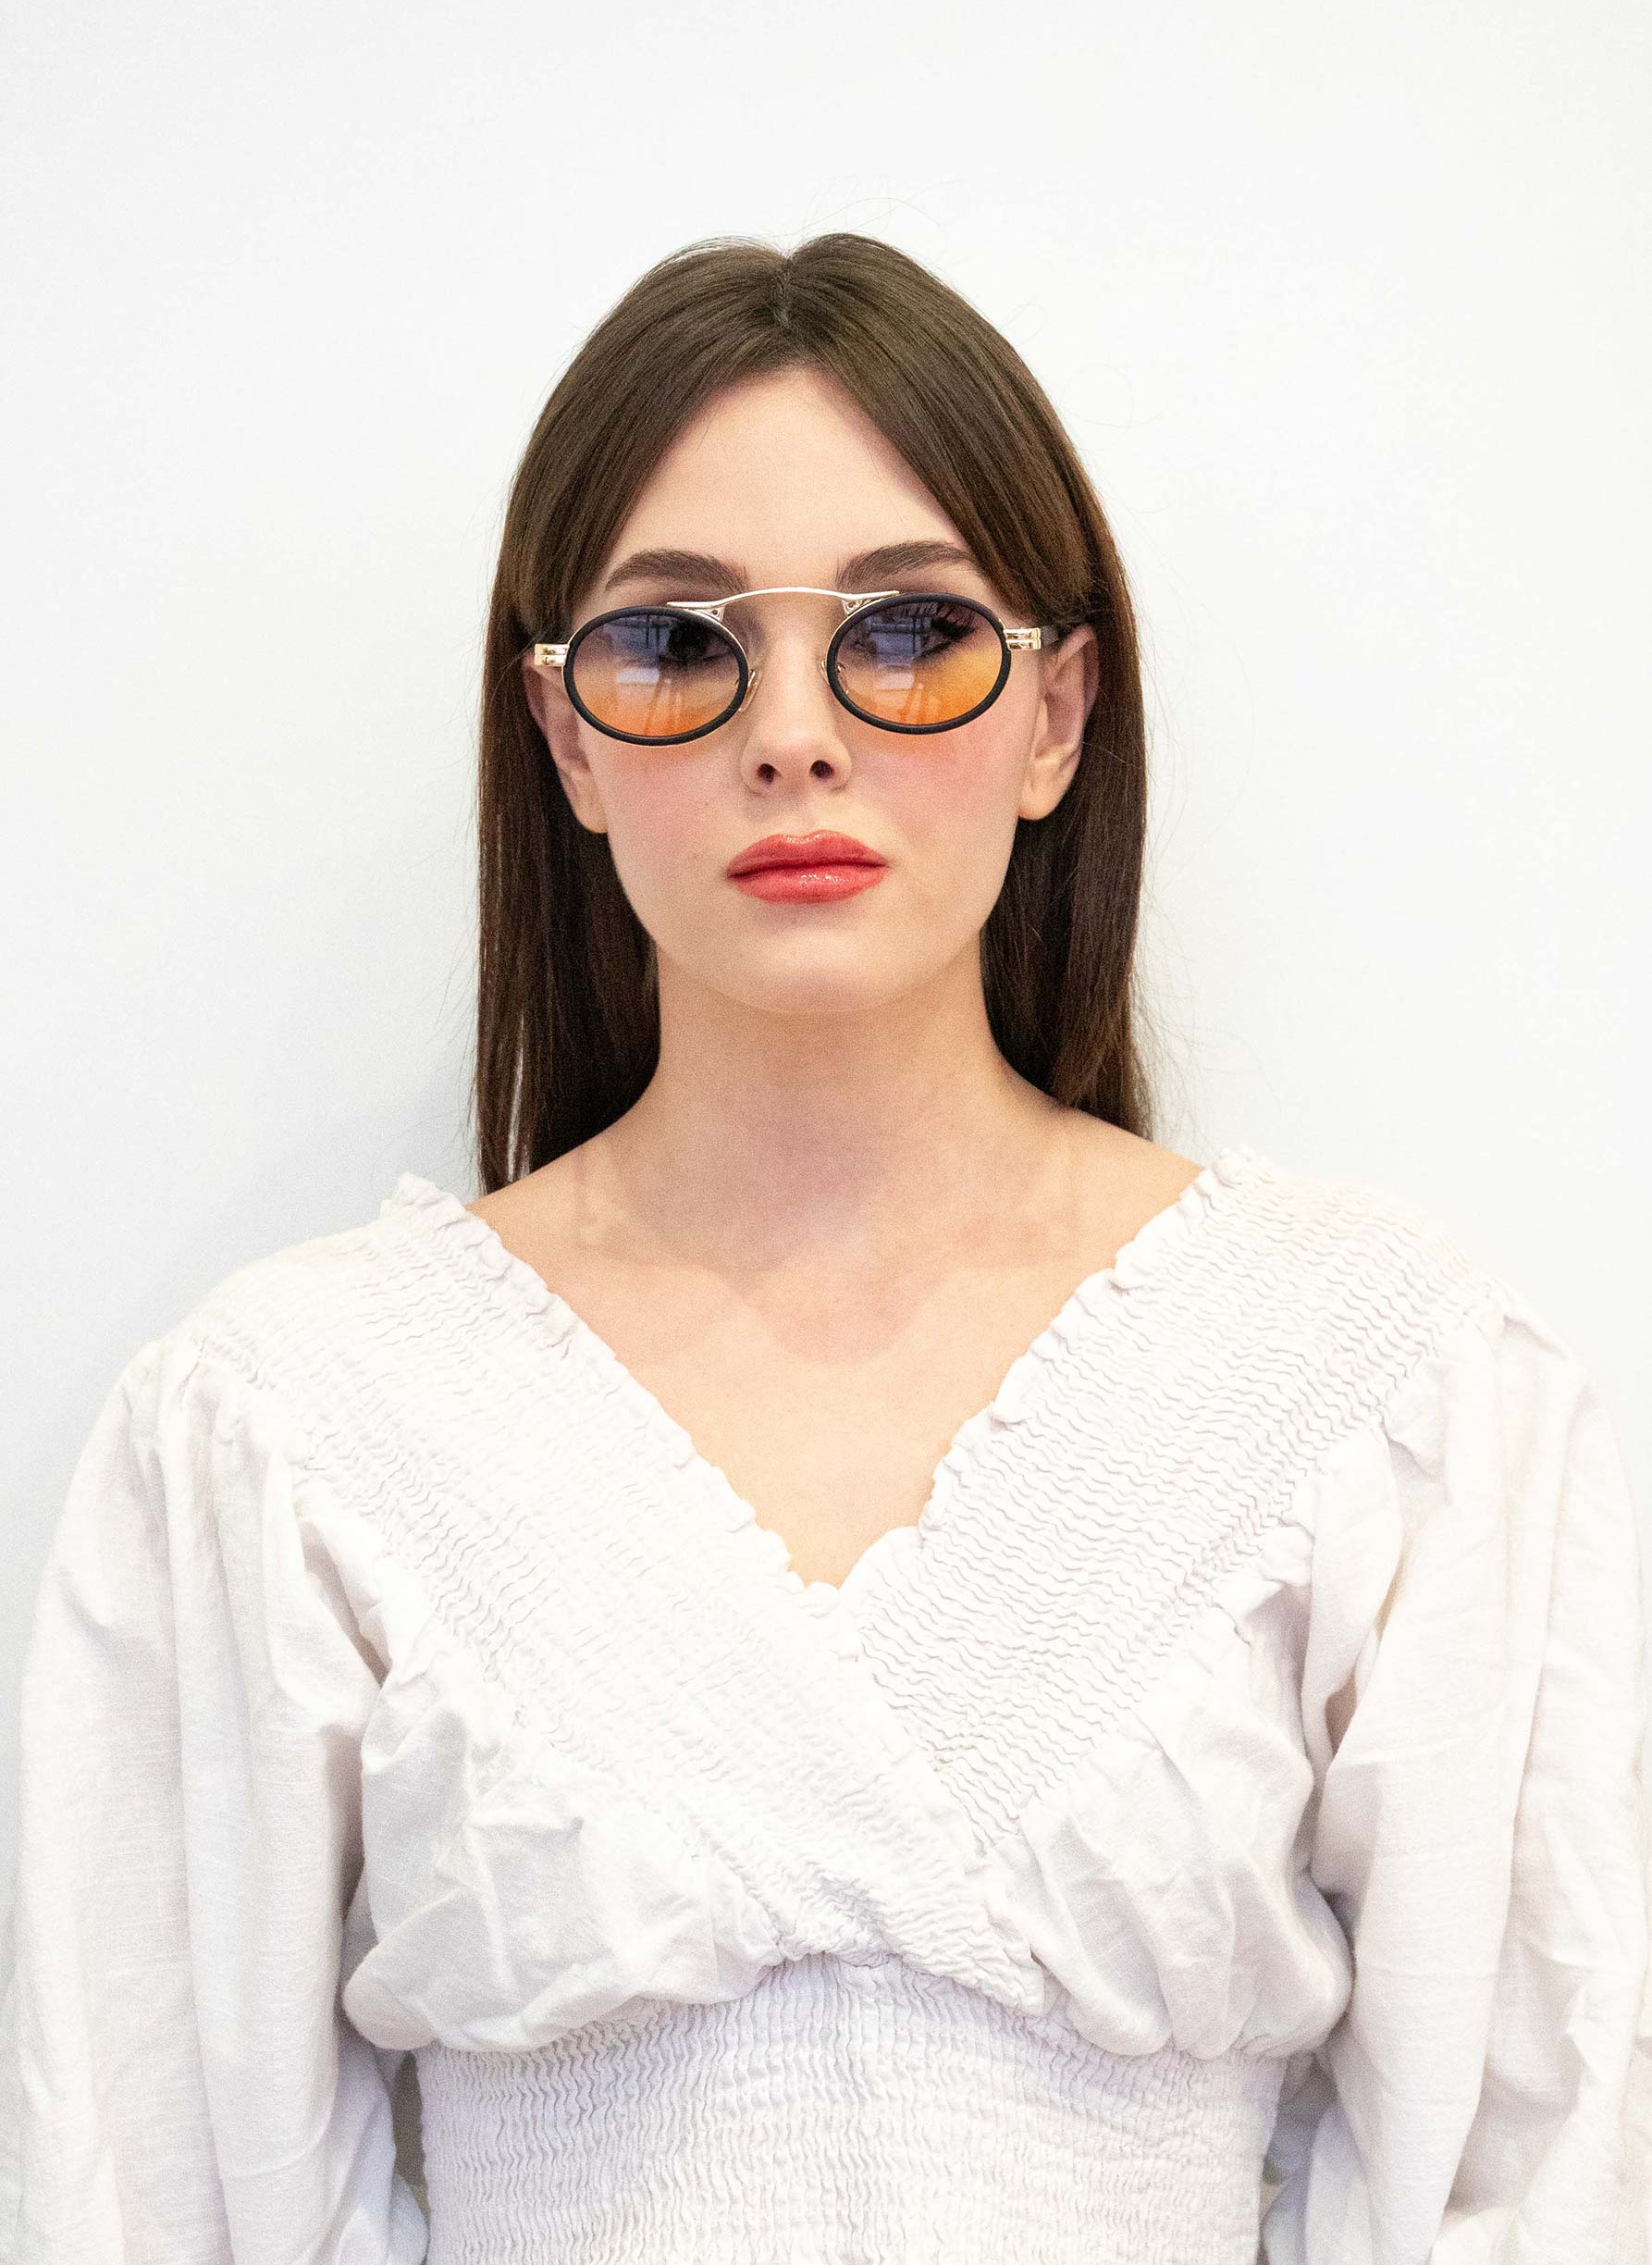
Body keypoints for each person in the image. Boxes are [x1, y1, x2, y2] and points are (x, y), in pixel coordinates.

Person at [1, 231, 1646, 2265]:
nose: (791, 732)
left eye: (910, 633)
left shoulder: (1385, 1387)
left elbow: (1531, 2177)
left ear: (1056, 714)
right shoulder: (285, 1427)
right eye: (674, 645)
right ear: (564, 739)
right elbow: (149, 2191)